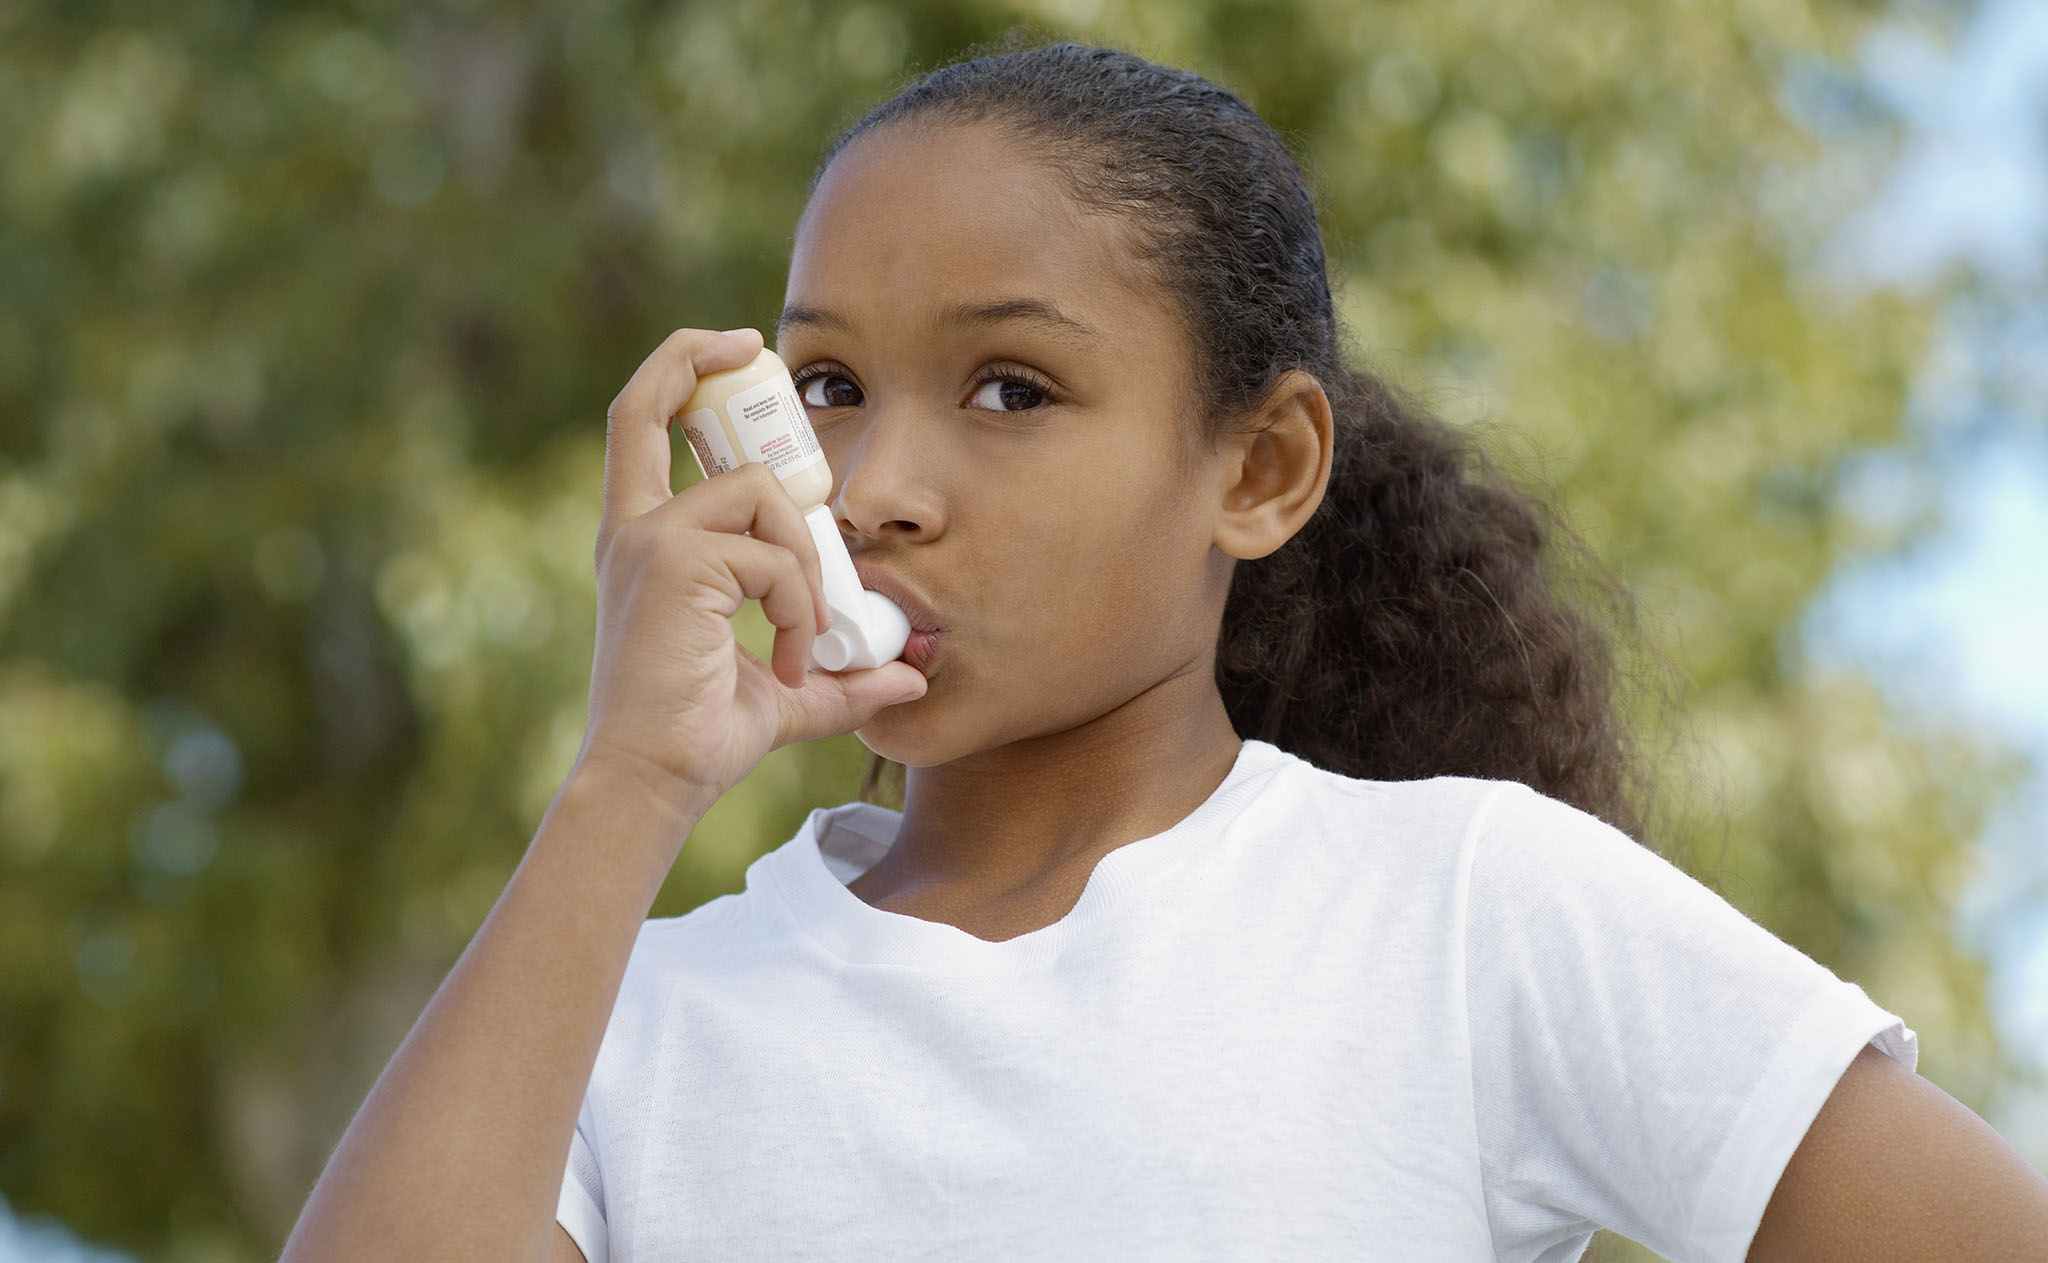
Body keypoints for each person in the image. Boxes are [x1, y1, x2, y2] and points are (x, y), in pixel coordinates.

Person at [280, 41, 2048, 1263]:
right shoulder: (631, 1015)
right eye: (826, 387)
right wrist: (628, 782)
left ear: (1260, 470)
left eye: (1012, 389)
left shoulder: (1466, 912)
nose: (878, 484)